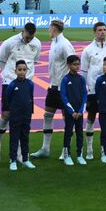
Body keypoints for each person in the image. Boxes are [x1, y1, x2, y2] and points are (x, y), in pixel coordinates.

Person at [0, 22, 41, 164]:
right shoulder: (9, 43)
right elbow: (1, 61)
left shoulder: (37, 44)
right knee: (6, 115)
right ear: (22, 31)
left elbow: (34, 62)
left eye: (31, 38)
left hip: (27, 84)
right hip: (9, 82)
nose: (28, 40)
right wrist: (10, 76)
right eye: (27, 37)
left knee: (23, 117)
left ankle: (20, 153)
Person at [33, 20, 73, 161]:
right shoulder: (54, 42)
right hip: (53, 86)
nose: (48, 30)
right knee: (47, 116)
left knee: (67, 118)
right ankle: (45, 148)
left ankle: (66, 149)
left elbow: (73, 63)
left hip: (63, 88)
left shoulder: (64, 44)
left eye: (49, 28)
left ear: (54, 29)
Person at [78, 21, 106, 161]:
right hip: (93, 90)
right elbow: (83, 71)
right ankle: (89, 149)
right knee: (91, 118)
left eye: (104, 30)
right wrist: (83, 89)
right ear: (94, 32)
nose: (102, 32)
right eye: (100, 30)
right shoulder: (88, 50)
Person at [2, 60, 36, 171]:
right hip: (15, 116)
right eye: (19, 70)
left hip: (26, 116)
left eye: (24, 70)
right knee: (14, 138)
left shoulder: (30, 84)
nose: (22, 72)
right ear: (15, 71)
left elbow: (31, 98)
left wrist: (30, 112)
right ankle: (13, 160)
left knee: (25, 137)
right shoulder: (12, 85)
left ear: (27, 71)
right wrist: (10, 111)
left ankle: (26, 159)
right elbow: (8, 99)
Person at [60, 53, 89, 166]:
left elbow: (84, 96)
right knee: (68, 132)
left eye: (78, 64)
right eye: (74, 64)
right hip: (70, 113)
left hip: (79, 112)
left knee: (79, 133)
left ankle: (79, 155)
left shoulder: (81, 79)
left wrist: (81, 111)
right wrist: (72, 111)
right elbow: (64, 96)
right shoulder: (65, 79)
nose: (77, 66)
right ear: (68, 65)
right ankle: (67, 155)